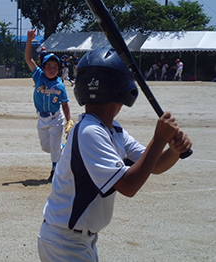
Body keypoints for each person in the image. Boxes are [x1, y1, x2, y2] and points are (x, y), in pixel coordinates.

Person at [37, 47, 192, 262]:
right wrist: (158, 140)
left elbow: (154, 165)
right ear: (122, 93)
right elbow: (129, 186)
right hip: (65, 242)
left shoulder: (112, 130)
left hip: (78, 240)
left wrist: (174, 150)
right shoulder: (90, 132)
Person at [25, 29, 73, 182]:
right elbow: (28, 58)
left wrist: (68, 120)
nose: (51, 69)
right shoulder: (38, 75)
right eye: (49, 66)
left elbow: (65, 104)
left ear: (58, 69)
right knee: (47, 147)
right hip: (41, 119)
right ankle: (64, 149)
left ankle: (55, 170)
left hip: (55, 118)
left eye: (55, 66)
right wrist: (29, 41)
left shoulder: (60, 85)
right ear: (43, 67)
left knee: (54, 147)